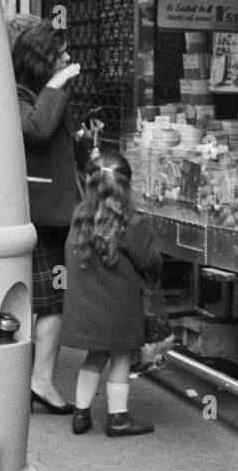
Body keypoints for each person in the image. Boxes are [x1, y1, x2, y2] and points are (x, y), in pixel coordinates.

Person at [63, 151, 169, 438]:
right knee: (121, 357)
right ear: (127, 185)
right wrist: (158, 266)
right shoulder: (131, 222)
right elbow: (148, 261)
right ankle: (118, 418)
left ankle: (81, 414)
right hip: (120, 306)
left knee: (94, 356)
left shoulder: (79, 217)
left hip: (87, 305)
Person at [12, 19, 81, 414]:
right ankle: (40, 382)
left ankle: (34, 380)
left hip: (47, 215)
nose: (68, 59)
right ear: (42, 61)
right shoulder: (19, 95)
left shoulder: (33, 92)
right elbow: (36, 130)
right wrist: (57, 87)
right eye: (60, 54)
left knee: (47, 302)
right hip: (38, 217)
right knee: (50, 304)